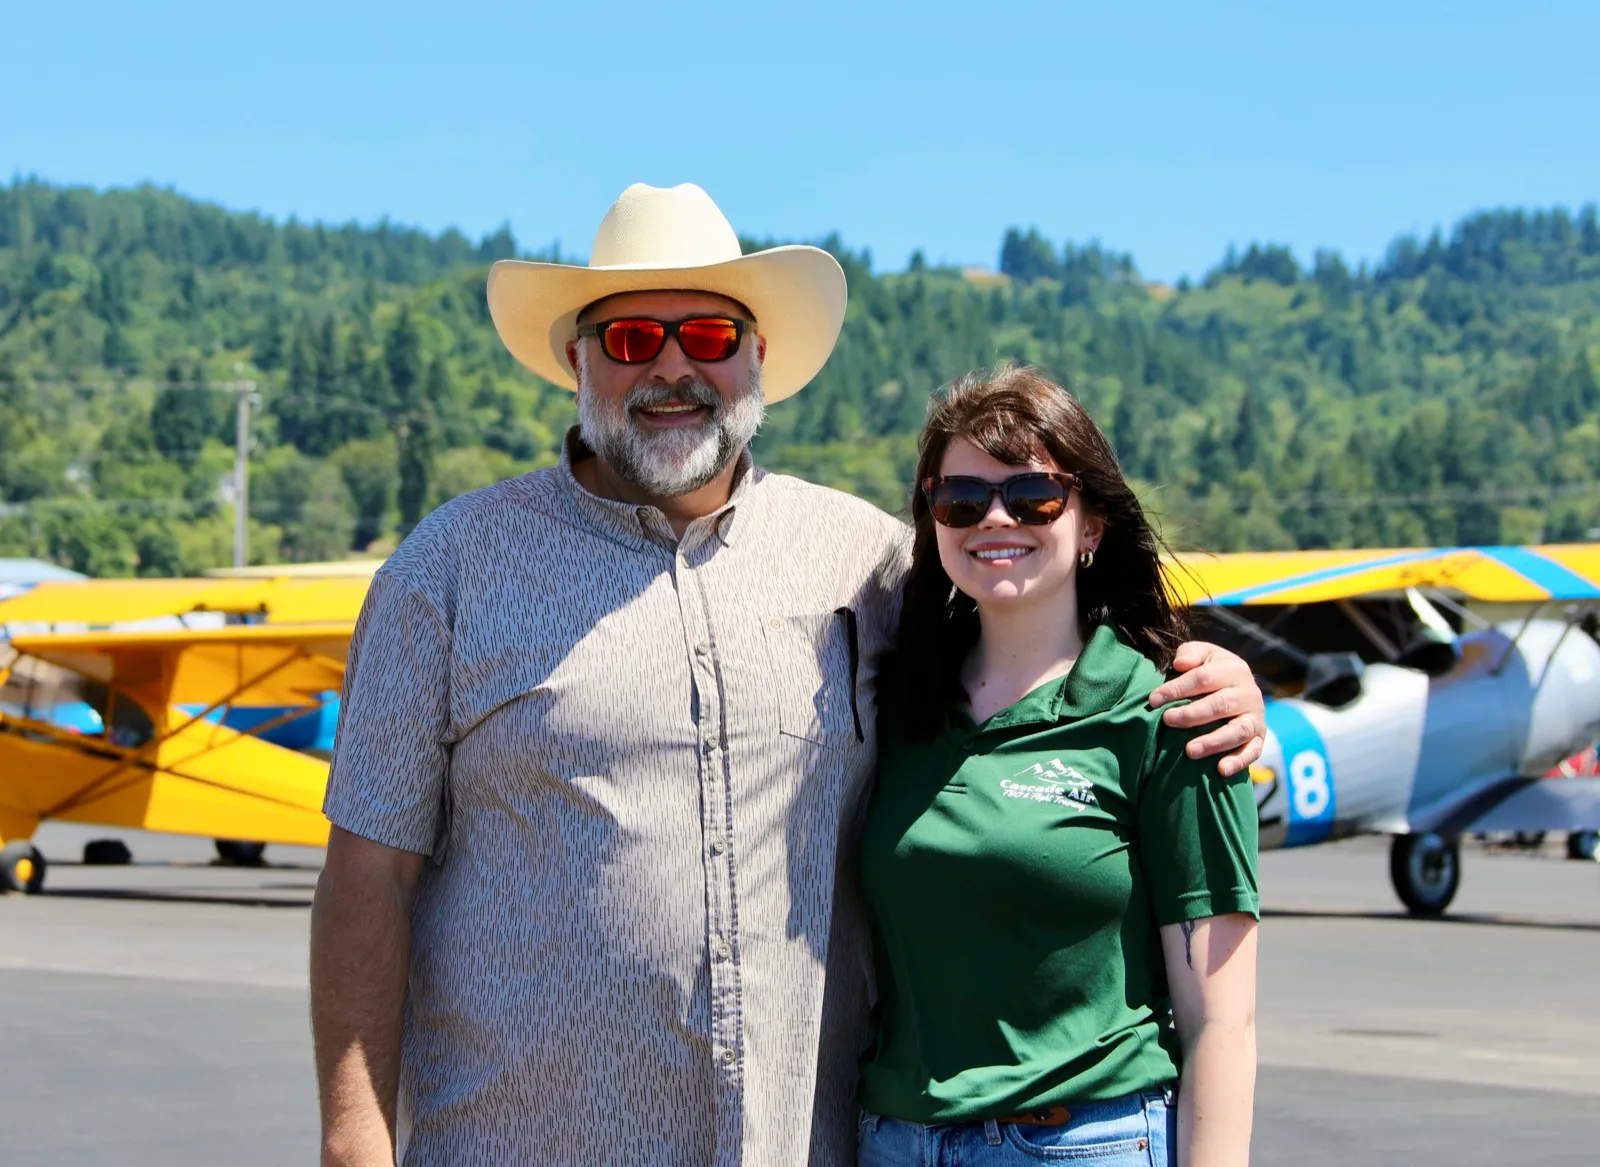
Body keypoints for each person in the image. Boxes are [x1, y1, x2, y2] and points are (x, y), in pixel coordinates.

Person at [309, 183, 1266, 1167]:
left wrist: (1217, 679)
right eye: (635, 338)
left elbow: (1032, 619)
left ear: (756, 357)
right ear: (576, 360)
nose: (675, 368)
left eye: (712, 338)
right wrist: (354, 1136)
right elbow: (365, 876)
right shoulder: (451, 568)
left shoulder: (870, 563)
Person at [857, 365, 1259, 1167]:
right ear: (933, 519)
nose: (994, 518)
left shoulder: (1173, 713)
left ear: (1093, 524)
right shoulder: (889, 704)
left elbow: (1222, 1021)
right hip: (892, 1140)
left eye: (1034, 494)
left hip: (1081, 1143)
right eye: (961, 499)